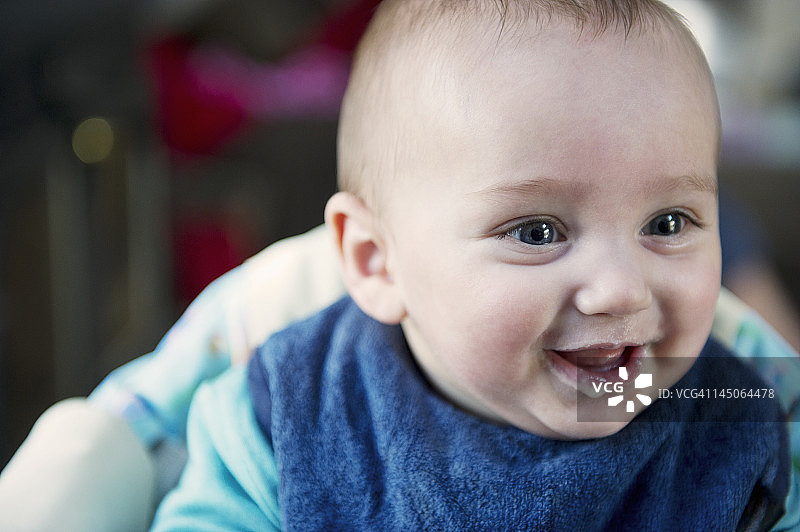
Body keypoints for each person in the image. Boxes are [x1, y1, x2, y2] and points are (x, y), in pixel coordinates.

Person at [144, 0, 792, 529]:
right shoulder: (290, 414)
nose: (621, 291)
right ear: (378, 263)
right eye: (537, 232)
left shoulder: (739, 417)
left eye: (667, 224)